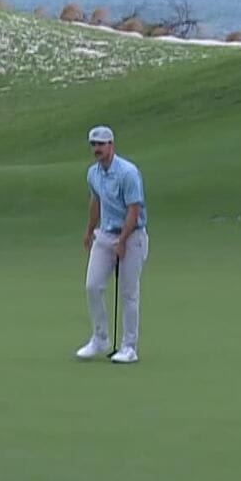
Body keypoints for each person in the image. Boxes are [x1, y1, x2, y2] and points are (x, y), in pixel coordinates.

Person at [76, 125, 148, 364]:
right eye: (93, 145)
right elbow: (96, 201)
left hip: (132, 235)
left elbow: (134, 210)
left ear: (111, 145)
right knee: (93, 286)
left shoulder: (128, 172)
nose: (97, 149)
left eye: (101, 144)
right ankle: (100, 338)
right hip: (105, 235)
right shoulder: (93, 174)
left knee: (128, 292)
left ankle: (129, 346)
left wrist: (123, 241)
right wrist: (89, 231)